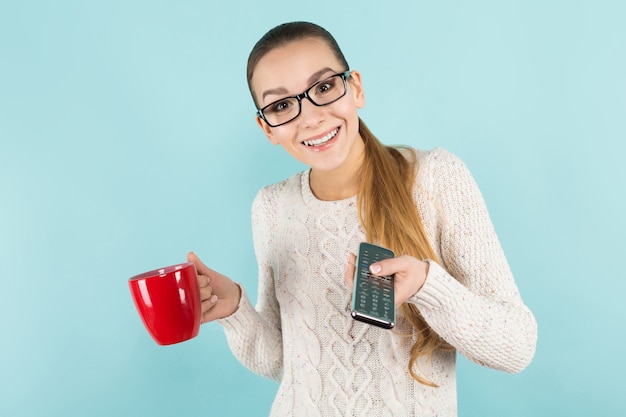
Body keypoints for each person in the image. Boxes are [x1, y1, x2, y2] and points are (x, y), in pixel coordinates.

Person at [187, 21, 537, 417]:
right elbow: (289, 364)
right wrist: (234, 308)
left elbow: (517, 347)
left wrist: (426, 284)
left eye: (323, 87)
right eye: (281, 105)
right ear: (267, 128)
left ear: (356, 88)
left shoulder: (435, 178)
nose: (311, 117)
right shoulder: (271, 208)